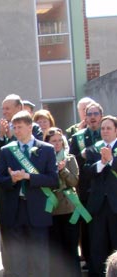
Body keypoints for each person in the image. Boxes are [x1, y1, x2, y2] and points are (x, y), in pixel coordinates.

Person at [0, 111, 58, 276]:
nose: (16, 130)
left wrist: (28, 176)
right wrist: (13, 179)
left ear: (30, 127)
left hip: (37, 209)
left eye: (20, 127)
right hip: (15, 209)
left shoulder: (47, 149)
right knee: (16, 259)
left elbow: (53, 179)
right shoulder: (6, 150)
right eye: (14, 127)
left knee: (39, 257)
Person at [44, 127, 82, 277]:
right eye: (53, 141)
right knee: (55, 249)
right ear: (47, 142)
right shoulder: (43, 158)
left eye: (60, 140)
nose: (57, 143)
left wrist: (63, 170)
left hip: (69, 209)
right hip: (52, 209)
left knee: (71, 248)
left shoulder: (70, 158)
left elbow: (74, 181)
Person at [69, 101, 103, 268]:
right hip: (85, 188)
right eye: (89, 114)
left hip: (106, 188)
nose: (92, 117)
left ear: (101, 116)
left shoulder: (108, 134)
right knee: (87, 227)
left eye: (96, 114)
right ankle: (90, 261)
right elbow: (73, 161)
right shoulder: (78, 137)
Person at [84, 115, 117, 276]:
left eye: (109, 128)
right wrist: (102, 163)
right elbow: (86, 172)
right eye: (103, 128)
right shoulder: (92, 149)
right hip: (97, 206)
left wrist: (111, 160)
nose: (105, 131)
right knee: (97, 246)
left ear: (116, 130)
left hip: (115, 205)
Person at [0, 94, 43, 176]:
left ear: (19, 108)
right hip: (6, 179)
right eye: (3, 109)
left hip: (29, 174)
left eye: (7, 109)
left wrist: (11, 138)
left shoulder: (33, 127)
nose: (4, 112)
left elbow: (38, 151)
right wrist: (0, 137)